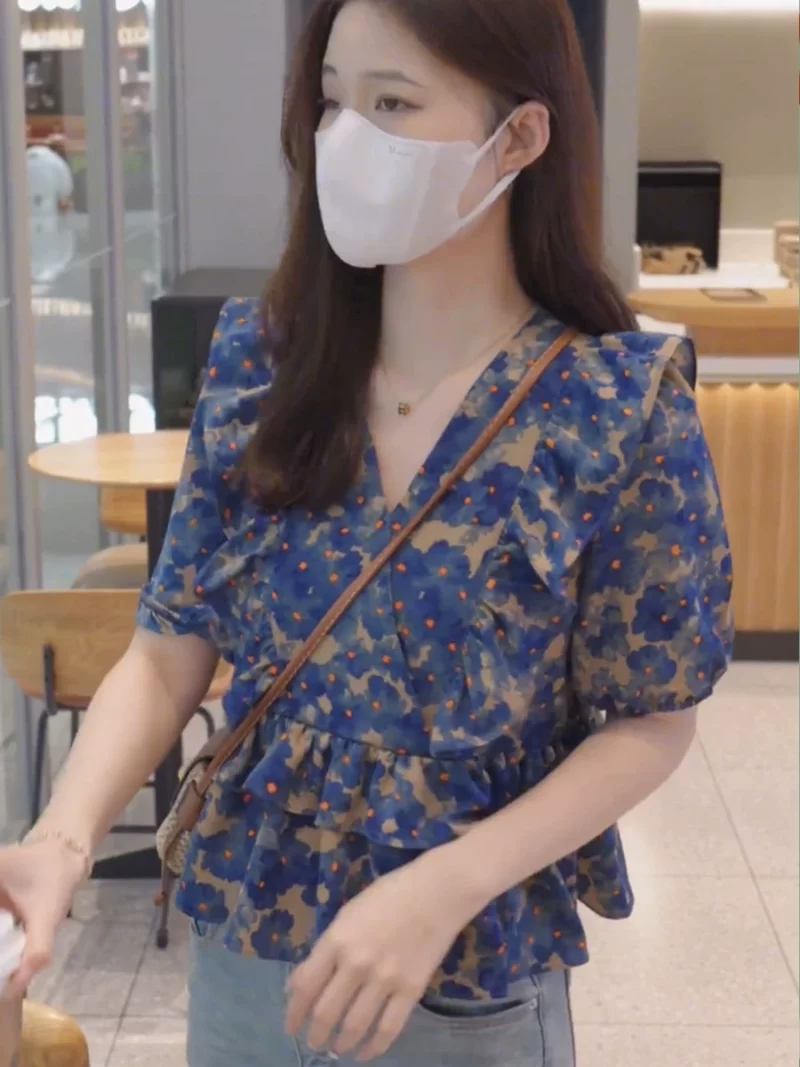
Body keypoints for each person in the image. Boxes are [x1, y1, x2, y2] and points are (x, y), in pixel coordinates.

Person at [0, 1, 733, 1065]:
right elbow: (167, 650)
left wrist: (445, 883)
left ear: (519, 137)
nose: (344, 139)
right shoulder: (262, 366)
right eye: (333, 101)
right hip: (247, 948)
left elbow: (652, 718)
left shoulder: (616, 404)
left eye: (393, 104)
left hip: (462, 975)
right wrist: (60, 838)